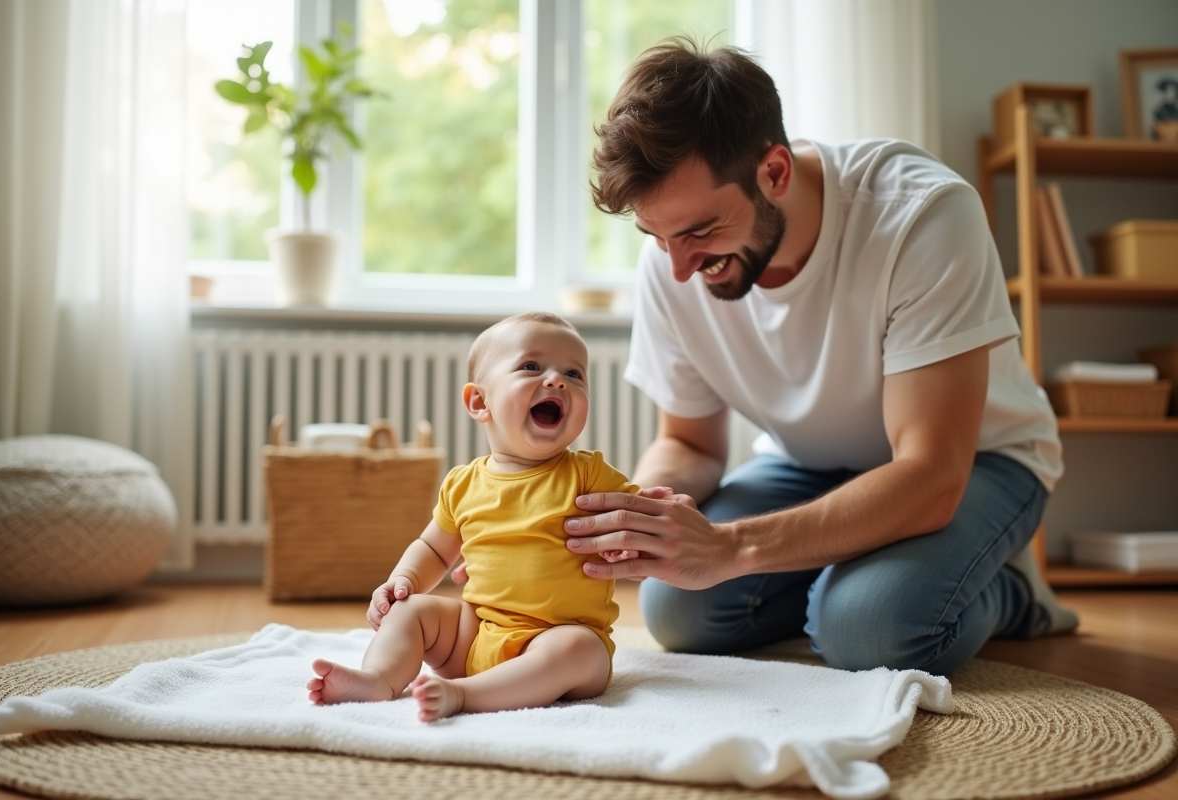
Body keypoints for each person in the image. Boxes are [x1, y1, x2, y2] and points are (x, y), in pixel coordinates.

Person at [560, 37, 1077, 676]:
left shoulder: (921, 216)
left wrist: (733, 548)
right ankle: (852, 573)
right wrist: (633, 518)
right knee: (677, 609)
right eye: (657, 236)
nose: (680, 266)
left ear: (774, 172)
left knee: (867, 631)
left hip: (974, 463)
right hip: (807, 466)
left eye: (699, 232)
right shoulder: (671, 260)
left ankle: (1007, 591)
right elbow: (690, 445)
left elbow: (930, 476)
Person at [307, 312, 638, 720]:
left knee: (579, 648)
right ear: (480, 402)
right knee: (412, 611)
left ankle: (464, 695)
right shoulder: (463, 484)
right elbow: (433, 548)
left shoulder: (589, 474)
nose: (557, 381)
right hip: (476, 633)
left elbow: (636, 518)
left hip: (556, 641)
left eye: (574, 374)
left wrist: (653, 513)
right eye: (531, 366)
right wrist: (403, 582)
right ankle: (379, 678)